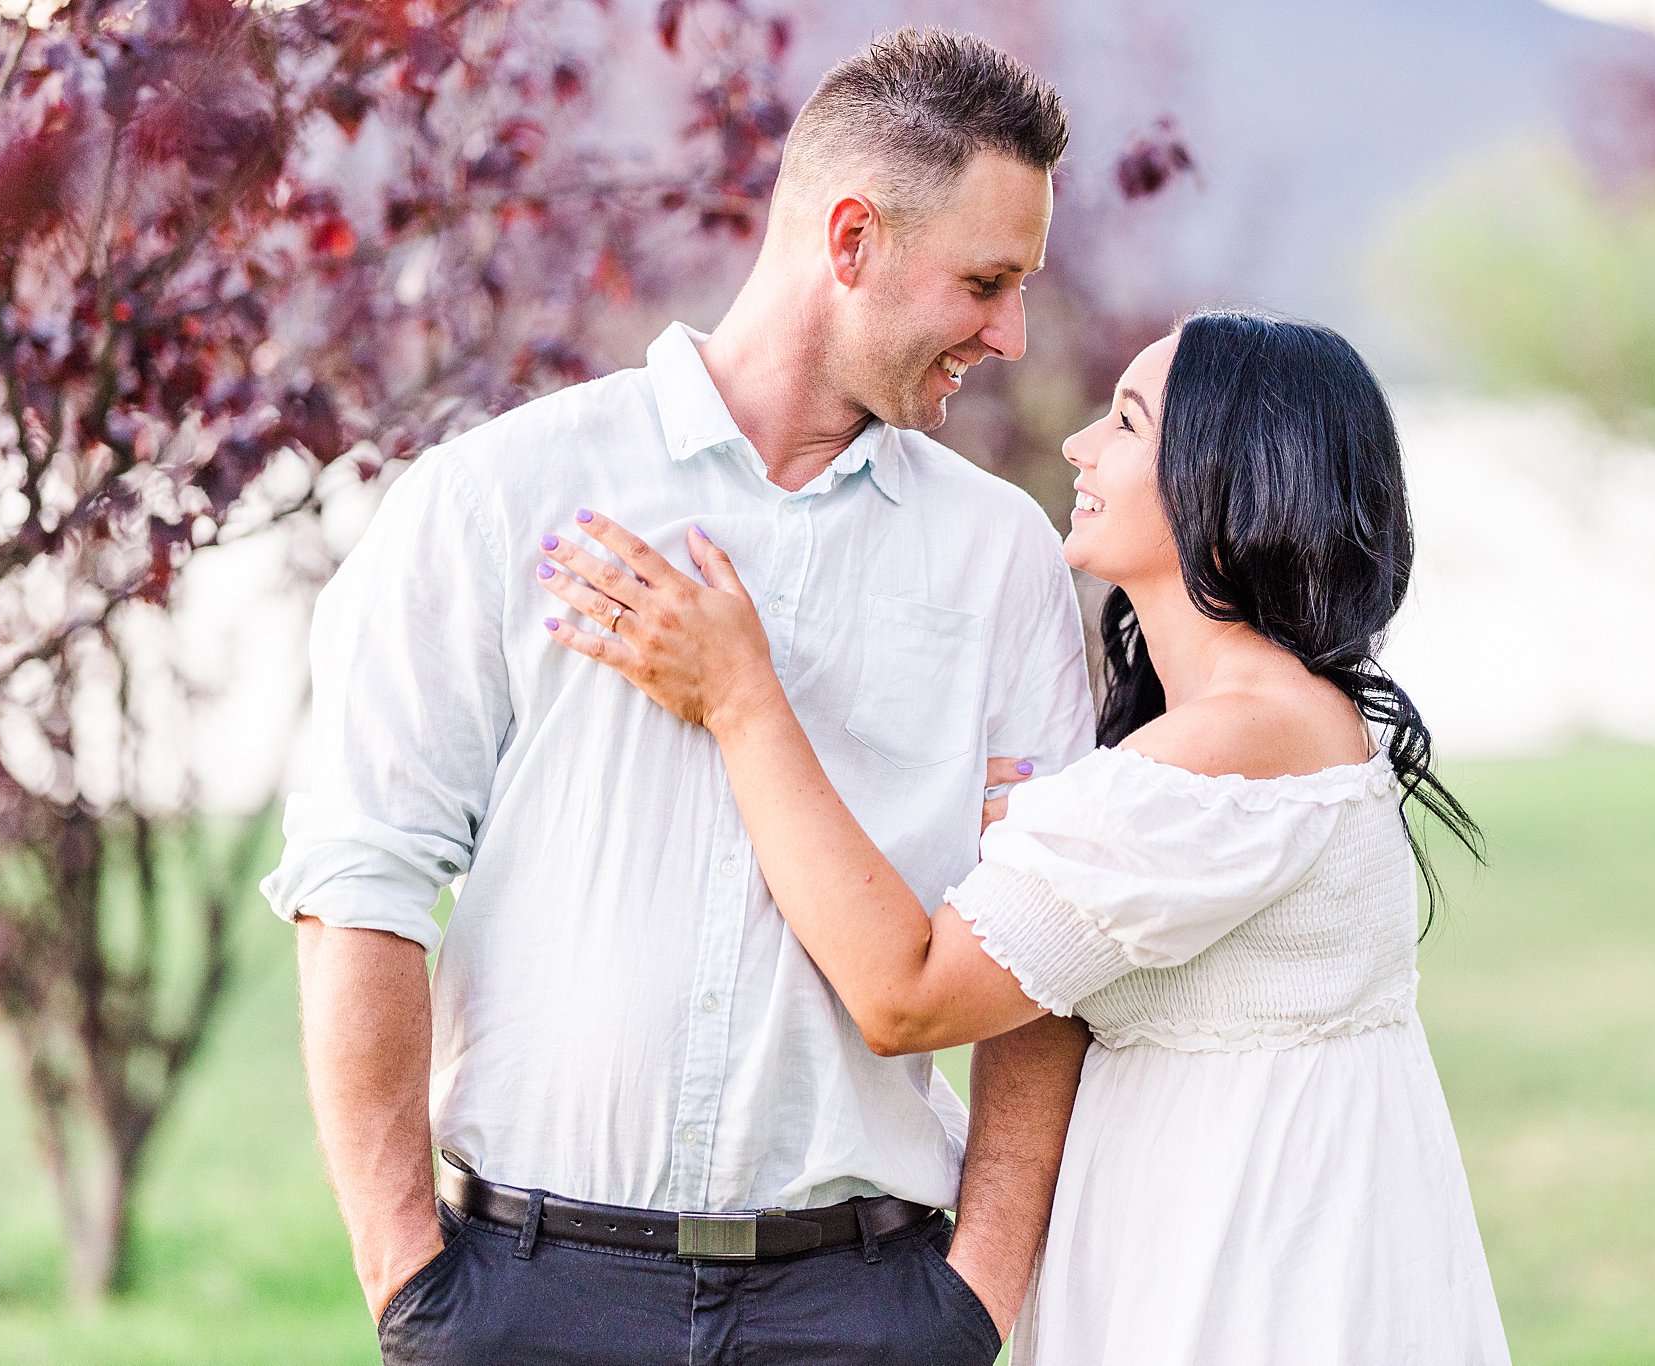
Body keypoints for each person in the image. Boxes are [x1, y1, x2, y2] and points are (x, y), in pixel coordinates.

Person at [261, 28, 1098, 1366]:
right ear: (851, 240)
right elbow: (360, 880)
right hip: (526, 1299)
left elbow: (1046, 948)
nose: (1008, 333)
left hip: (866, 1306)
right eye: (986, 282)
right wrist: (408, 1275)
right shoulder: (495, 500)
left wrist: (977, 1289)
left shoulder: (1000, 558)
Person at [534, 310, 1514, 1364]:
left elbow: (906, 994)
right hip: (1239, 1242)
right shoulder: (1257, 722)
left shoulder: (1241, 742)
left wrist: (740, 700)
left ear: (1231, 488)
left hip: (1251, 1280)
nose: (1078, 444)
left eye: (1127, 423)